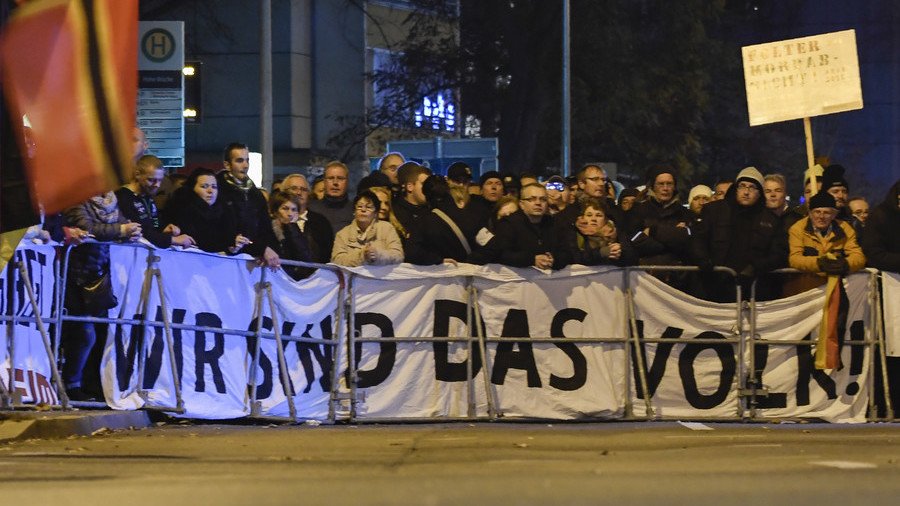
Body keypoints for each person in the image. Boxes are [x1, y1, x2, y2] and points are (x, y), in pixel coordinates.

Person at [62, 192, 142, 401]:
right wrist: (121, 230)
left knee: (98, 335)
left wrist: (130, 231)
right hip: (76, 274)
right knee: (84, 333)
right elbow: (87, 227)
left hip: (101, 275)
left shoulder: (112, 202)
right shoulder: (76, 200)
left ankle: (90, 386)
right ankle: (71, 385)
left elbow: (125, 224)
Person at [691, 167, 786, 302]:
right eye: (742, 186)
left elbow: (778, 253)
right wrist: (704, 261)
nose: (746, 192)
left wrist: (756, 267)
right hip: (715, 285)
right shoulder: (714, 211)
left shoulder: (771, 220)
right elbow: (698, 239)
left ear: (760, 193)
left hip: (754, 290)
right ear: (736, 188)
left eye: (752, 187)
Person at [785, 192, 865, 296]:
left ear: (833, 215)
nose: (821, 216)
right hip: (806, 289)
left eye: (826, 212)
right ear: (810, 213)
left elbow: (859, 257)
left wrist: (845, 264)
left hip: (835, 288)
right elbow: (794, 259)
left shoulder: (845, 229)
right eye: (817, 212)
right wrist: (819, 263)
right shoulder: (798, 229)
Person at [216, 142, 280, 267]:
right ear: (227, 165)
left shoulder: (256, 194)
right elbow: (221, 228)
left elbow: (265, 228)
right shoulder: (218, 191)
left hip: (253, 262)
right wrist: (260, 249)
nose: (245, 165)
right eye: (239, 161)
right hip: (225, 262)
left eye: (247, 160)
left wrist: (268, 249)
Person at [470, 183, 561, 269]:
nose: (538, 203)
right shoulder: (509, 224)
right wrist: (531, 259)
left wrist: (554, 259)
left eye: (543, 199)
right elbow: (498, 254)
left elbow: (567, 252)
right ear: (521, 204)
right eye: (532, 199)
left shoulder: (553, 223)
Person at [164, 168, 251, 254]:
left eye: (214, 187)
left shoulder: (226, 212)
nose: (210, 191)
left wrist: (234, 247)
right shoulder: (182, 210)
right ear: (192, 188)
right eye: (204, 186)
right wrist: (228, 242)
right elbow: (205, 241)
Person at [116, 154, 195, 248]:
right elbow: (140, 230)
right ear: (137, 174)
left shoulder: (147, 196)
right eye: (151, 180)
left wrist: (165, 228)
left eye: (160, 180)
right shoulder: (123, 197)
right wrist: (173, 240)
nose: (157, 185)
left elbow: (154, 222)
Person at [625, 164, 693, 270]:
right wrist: (672, 239)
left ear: (674, 186)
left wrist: (652, 232)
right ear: (653, 186)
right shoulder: (638, 210)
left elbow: (687, 240)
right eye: (661, 184)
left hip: (677, 275)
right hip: (645, 274)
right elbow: (634, 241)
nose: (665, 188)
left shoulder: (684, 213)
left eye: (669, 184)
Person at [331, 190, 404, 267]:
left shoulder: (387, 228)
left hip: (380, 276)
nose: (363, 210)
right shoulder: (342, 234)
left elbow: (398, 256)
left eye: (369, 207)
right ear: (354, 211)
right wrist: (362, 256)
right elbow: (337, 260)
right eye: (359, 207)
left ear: (376, 213)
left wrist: (378, 255)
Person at [557, 197, 635, 267]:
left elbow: (631, 257)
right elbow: (574, 257)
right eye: (589, 215)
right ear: (582, 217)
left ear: (605, 219)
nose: (593, 219)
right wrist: (601, 253)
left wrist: (620, 254)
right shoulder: (574, 233)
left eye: (598, 215)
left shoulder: (616, 232)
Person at [280, 173, 333, 264]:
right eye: (294, 188)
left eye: (304, 189)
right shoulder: (275, 220)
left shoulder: (321, 222)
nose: (299, 193)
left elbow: (327, 255)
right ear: (283, 192)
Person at [269, 192, 317, 280]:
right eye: (285, 208)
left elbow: (306, 258)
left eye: (294, 209)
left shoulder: (295, 230)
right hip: (272, 276)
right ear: (275, 211)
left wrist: (292, 227)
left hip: (290, 279)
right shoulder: (268, 229)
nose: (290, 214)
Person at [309, 160, 354, 234]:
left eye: (340, 178)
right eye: (330, 178)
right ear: (324, 181)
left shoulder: (355, 210)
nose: (335, 183)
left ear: (347, 181)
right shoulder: (311, 209)